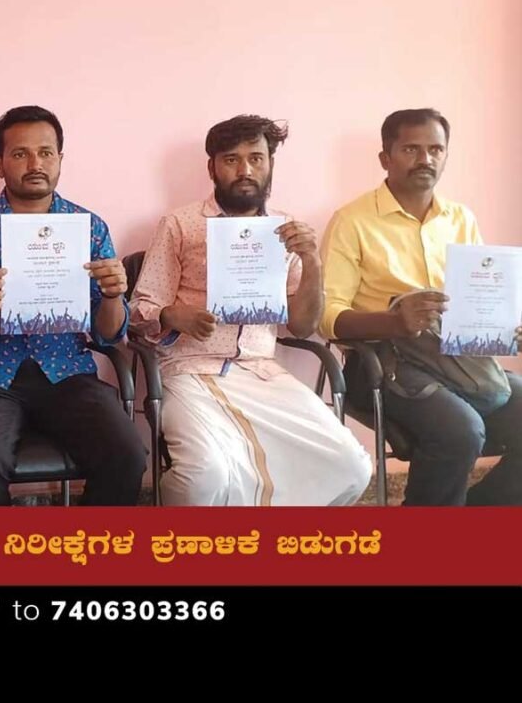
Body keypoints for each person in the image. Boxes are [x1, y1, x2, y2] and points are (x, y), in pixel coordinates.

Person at [129, 115, 370, 505]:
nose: (245, 170)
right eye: (231, 160)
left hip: (262, 372)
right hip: (191, 370)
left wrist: (312, 261)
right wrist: (175, 316)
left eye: (256, 158)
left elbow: (303, 323)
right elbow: (140, 309)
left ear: (270, 163)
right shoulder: (180, 225)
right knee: (204, 477)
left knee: (352, 467)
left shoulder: (286, 229)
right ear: (212, 168)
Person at [0, 105, 146, 505]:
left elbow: (109, 333)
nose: (35, 163)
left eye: (46, 152)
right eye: (20, 154)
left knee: (126, 454)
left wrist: (112, 295)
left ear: (61, 159)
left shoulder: (87, 226)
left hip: (67, 373)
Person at [321, 108, 522, 505]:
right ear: (386, 158)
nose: (425, 159)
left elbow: (480, 299)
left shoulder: (460, 218)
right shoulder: (352, 221)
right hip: (381, 364)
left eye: (435, 149)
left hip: (460, 361)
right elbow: (327, 319)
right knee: (460, 430)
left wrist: (507, 326)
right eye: (411, 149)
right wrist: (394, 321)